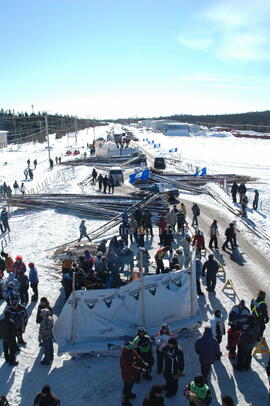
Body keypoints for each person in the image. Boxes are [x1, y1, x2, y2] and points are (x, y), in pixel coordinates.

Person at [120, 342, 145, 406]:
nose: (133, 348)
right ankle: (124, 401)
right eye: (131, 347)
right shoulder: (124, 356)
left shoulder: (130, 351)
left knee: (131, 384)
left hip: (131, 374)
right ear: (128, 348)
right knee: (127, 386)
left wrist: (140, 359)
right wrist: (139, 369)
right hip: (127, 374)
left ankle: (129, 394)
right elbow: (129, 368)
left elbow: (135, 354)